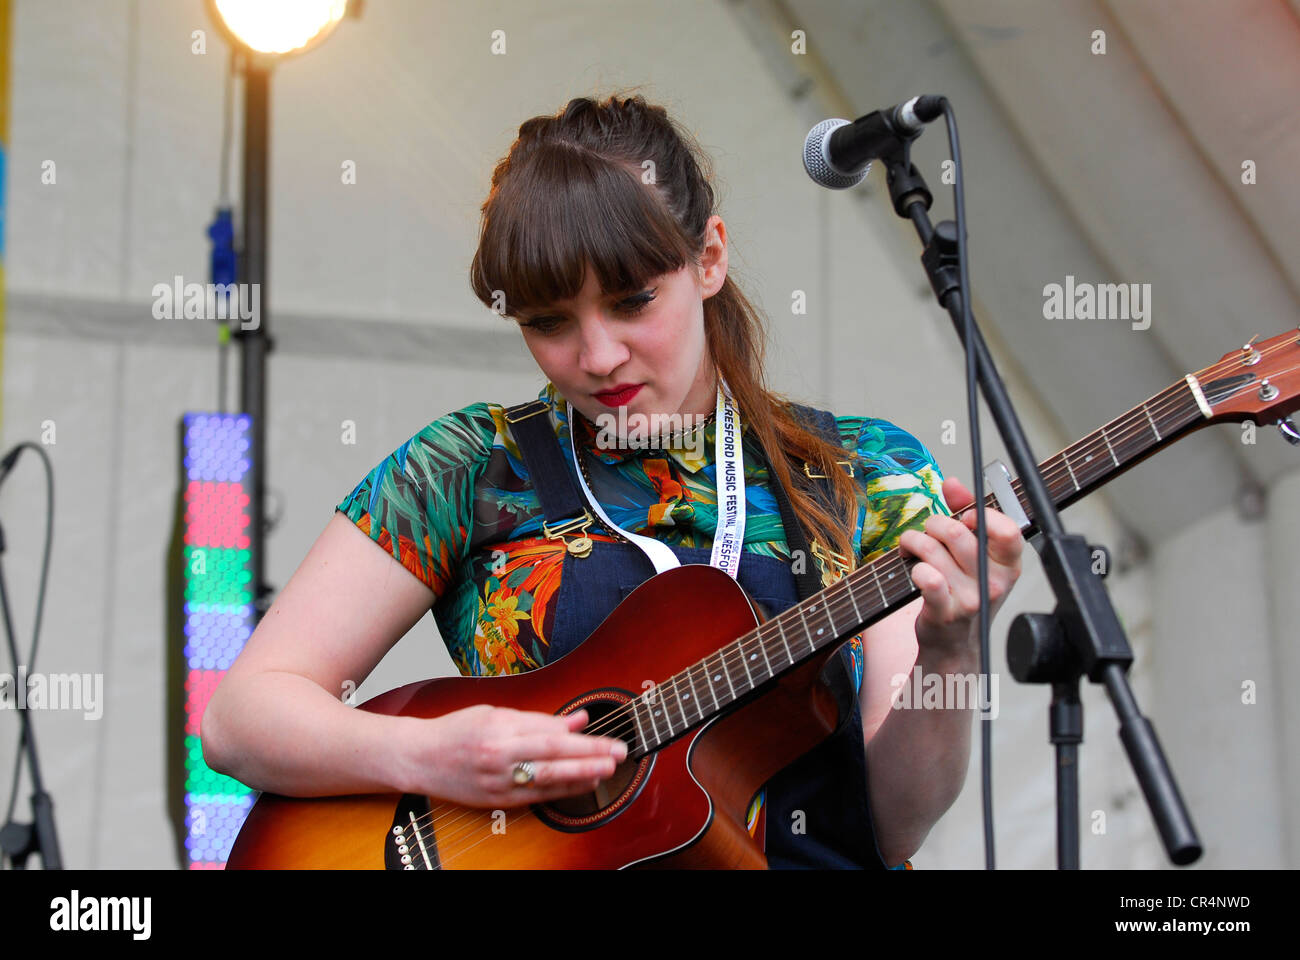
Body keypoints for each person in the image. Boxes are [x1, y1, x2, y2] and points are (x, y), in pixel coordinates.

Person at [202, 92, 1023, 869]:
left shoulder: (862, 472)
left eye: (633, 302)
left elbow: (895, 819)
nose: (595, 358)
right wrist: (429, 755)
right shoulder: (472, 463)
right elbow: (242, 720)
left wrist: (951, 649)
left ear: (708, 258)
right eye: (549, 322)